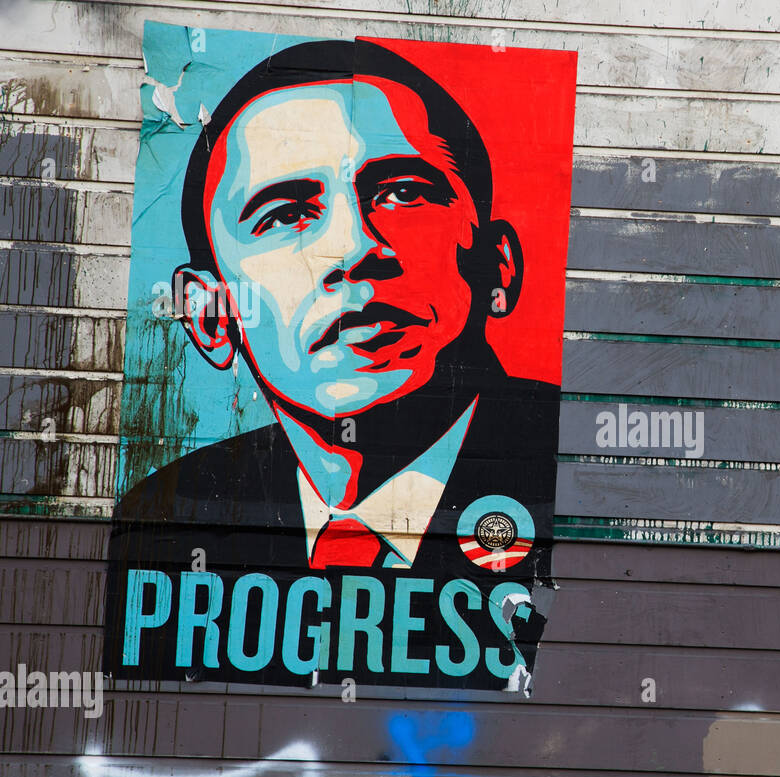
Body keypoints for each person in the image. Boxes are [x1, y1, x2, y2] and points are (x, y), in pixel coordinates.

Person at [106, 39, 560, 689]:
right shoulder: (164, 518)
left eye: (404, 192)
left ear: (497, 266)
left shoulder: (574, 477)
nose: (355, 247)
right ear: (208, 314)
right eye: (286, 213)